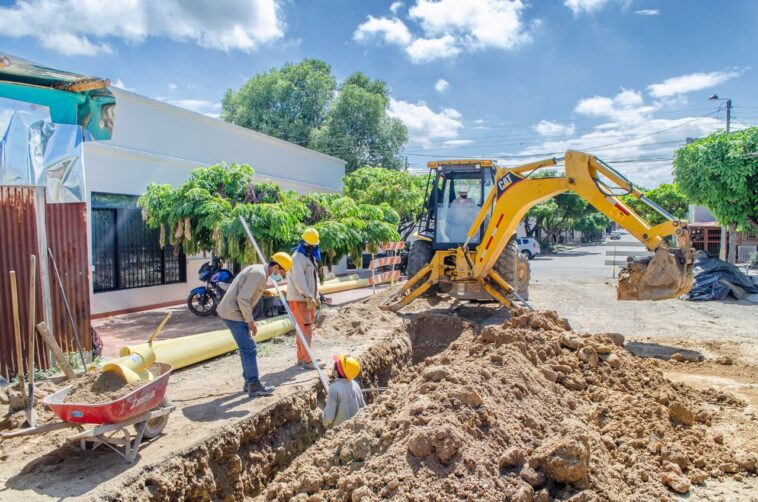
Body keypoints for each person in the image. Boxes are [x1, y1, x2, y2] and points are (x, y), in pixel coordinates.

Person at [217, 252, 292, 398]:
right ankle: (254, 384)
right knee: (249, 348)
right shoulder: (259, 274)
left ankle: (249, 382)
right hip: (233, 313)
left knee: (246, 348)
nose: (281, 276)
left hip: (234, 312)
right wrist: (250, 321)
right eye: (282, 272)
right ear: (276, 267)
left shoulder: (259, 271)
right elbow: (243, 299)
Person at [287, 227, 322, 368]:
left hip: (308, 298)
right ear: (306, 244)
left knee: (303, 328)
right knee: (305, 328)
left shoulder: (309, 257)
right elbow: (299, 280)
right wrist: (308, 295)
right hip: (300, 299)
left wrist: (317, 295)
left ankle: (302, 357)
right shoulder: (297, 258)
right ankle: (307, 360)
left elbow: (313, 278)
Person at [322, 353, 365, 428]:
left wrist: (324, 421)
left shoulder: (334, 389)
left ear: (336, 372)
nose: (332, 367)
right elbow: (364, 408)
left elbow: (329, 418)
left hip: (340, 432)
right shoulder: (355, 384)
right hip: (356, 429)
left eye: (334, 366)